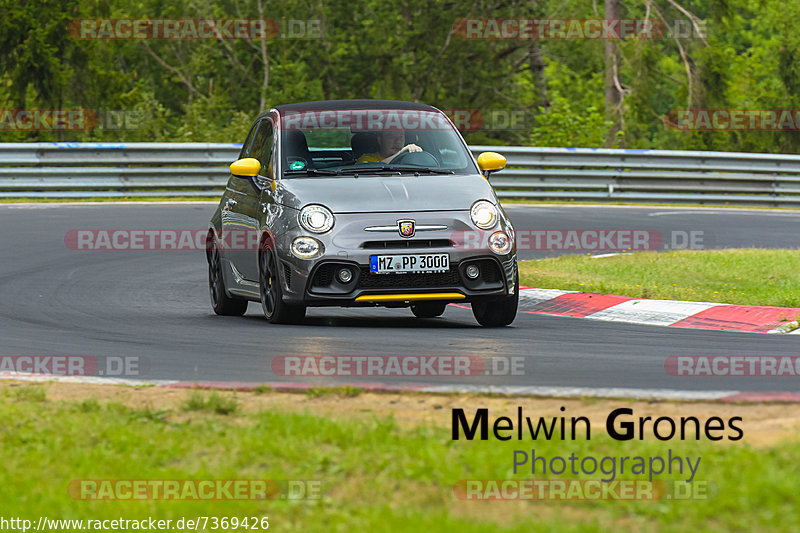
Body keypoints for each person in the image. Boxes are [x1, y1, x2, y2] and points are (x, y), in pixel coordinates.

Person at [357, 130, 422, 163]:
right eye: (391, 136)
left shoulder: (410, 160)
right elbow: (375, 167)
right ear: (380, 140)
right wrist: (401, 153)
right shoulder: (366, 159)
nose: (398, 141)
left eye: (401, 137)